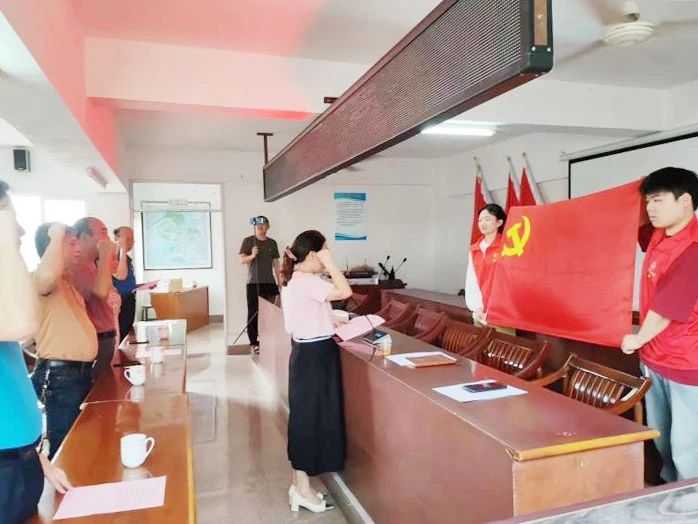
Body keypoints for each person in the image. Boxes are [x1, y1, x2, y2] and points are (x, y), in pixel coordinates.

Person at [0, 181, 71, 523]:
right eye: (11, 218)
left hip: (20, 459)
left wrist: (39, 460)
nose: (21, 231)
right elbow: (21, 324)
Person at [622, 167, 698, 483]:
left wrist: (637, 339)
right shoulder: (658, 234)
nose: (650, 208)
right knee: (661, 438)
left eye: (658, 200)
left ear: (685, 201)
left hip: (685, 364)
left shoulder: (694, 249)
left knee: (687, 449)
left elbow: (666, 309)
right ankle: (671, 496)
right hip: (654, 359)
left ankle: (689, 502)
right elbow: (628, 222)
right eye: (648, 201)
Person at [280, 230, 352, 514]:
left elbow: (308, 314)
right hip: (314, 357)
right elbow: (345, 292)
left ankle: (300, 486)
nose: (326, 258)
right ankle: (301, 490)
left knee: (306, 419)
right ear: (313, 254)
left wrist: (330, 320)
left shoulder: (298, 279)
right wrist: (330, 262)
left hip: (309, 354)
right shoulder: (306, 280)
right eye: (324, 252)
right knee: (307, 422)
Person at [31, 222, 98, 458]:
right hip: (62, 377)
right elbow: (46, 275)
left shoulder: (65, 282)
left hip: (78, 374)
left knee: (81, 441)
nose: (78, 248)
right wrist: (56, 233)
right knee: (66, 447)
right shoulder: (42, 279)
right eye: (71, 243)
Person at [71, 217, 118, 377]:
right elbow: (101, 292)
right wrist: (105, 254)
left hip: (105, 338)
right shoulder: (78, 266)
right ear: (84, 236)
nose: (108, 239)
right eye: (103, 232)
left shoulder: (92, 264)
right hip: (96, 340)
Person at [464, 203, 515, 335]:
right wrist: (476, 307)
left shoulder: (508, 247)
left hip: (502, 313)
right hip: (480, 312)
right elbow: (472, 280)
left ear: (499, 222)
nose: (482, 223)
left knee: (502, 346)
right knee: (479, 346)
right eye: (480, 220)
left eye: (487, 219)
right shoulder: (475, 249)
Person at [239, 216, 281, 354]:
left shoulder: (272, 243)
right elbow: (242, 260)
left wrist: (280, 282)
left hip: (269, 282)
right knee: (253, 312)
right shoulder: (248, 241)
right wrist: (252, 255)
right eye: (257, 223)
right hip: (253, 283)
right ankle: (253, 343)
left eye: (263, 223)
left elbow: (276, 264)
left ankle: (269, 340)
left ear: (268, 226)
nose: (259, 225)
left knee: (271, 312)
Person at [112, 226, 137, 343]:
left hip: (130, 300)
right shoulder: (113, 256)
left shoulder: (126, 258)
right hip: (120, 302)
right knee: (120, 335)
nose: (130, 243)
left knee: (127, 332)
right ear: (116, 238)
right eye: (127, 239)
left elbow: (127, 280)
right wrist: (122, 249)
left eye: (132, 240)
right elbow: (121, 276)